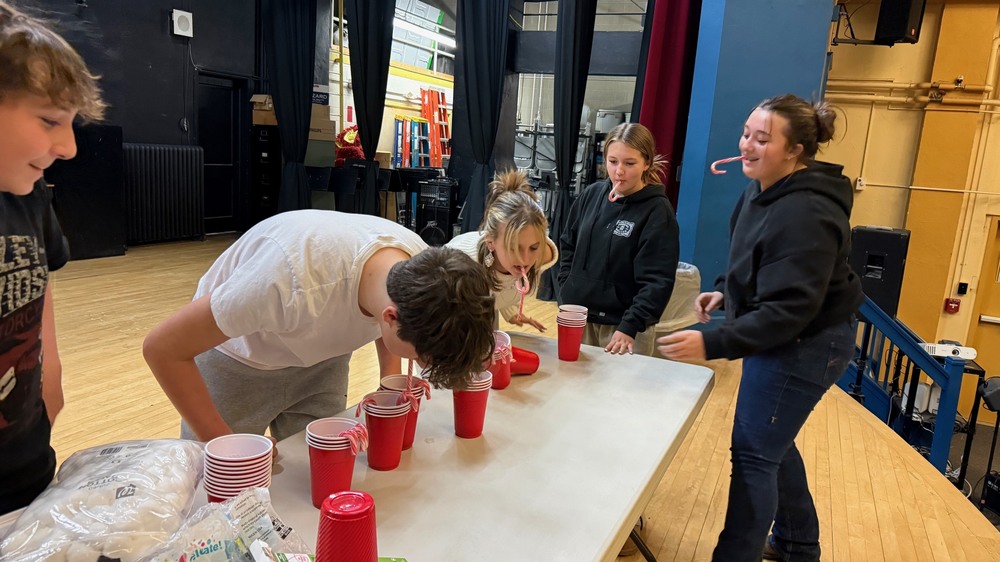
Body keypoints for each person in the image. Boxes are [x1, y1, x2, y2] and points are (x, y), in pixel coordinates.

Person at [657, 94, 863, 562]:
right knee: (771, 439)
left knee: (753, 455)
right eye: (747, 134)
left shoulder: (807, 211)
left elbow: (791, 309)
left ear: (795, 151)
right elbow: (759, 259)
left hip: (807, 342)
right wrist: (727, 290)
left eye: (762, 139)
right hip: (786, 331)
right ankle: (797, 544)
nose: (747, 145)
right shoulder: (763, 186)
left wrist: (713, 340)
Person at [143, 210, 496, 443]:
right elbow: (162, 348)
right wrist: (227, 445)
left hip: (322, 358)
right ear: (390, 318)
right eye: (422, 359)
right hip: (238, 359)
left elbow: (403, 318)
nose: (420, 368)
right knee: (220, 490)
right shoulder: (287, 279)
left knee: (308, 478)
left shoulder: (417, 265)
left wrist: (390, 384)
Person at [0, 1, 106, 513]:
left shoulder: (28, 193)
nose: (68, 147)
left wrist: (51, 372)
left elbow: (40, 280)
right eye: (48, 121)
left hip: (23, 456)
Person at [557, 122, 679, 356]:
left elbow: (657, 281)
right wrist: (567, 288)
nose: (619, 171)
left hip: (623, 328)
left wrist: (630, 326)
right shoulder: (591, 195)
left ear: (647, 163)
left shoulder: (657, 212)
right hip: (578, 316)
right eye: (613, 162)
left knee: (619, 392)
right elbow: (567, 244)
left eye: (629, 163)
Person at [446, 169, 557, 332]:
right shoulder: (462, 265)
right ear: (491, 242)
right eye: (513, 247)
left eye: (534, 247)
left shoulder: (542, 254)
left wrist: (511, 312)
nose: (525, 259)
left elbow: (499, 289)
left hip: (484, 318)